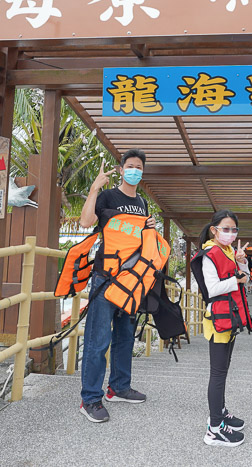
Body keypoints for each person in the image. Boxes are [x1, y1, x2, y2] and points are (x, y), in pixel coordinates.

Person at [77, 149, 156, 423]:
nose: (135, 170)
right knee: (98, 340)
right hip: (106, 277)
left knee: (125, 337)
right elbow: (86, 221)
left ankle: (119, 387)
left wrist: (151, 227)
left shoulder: (143, 203)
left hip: (132, 282)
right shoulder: (108, 197)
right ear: (121, 170)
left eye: (139, 167)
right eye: (130, 166)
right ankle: (90, 399)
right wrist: (94, 189)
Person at [195, 209, 252, 447]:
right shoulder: (210, 254)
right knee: (218, 374)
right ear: (214, 229)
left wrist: (243, 263)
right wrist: (236, 279)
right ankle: (214, 429)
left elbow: (246, 279)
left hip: (231, 319)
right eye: (225, 228)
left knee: (224, 370)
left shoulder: (229, 253)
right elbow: (212, 289)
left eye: (233, 229)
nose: (230, 233)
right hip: (218, 321)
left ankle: (220, 411)